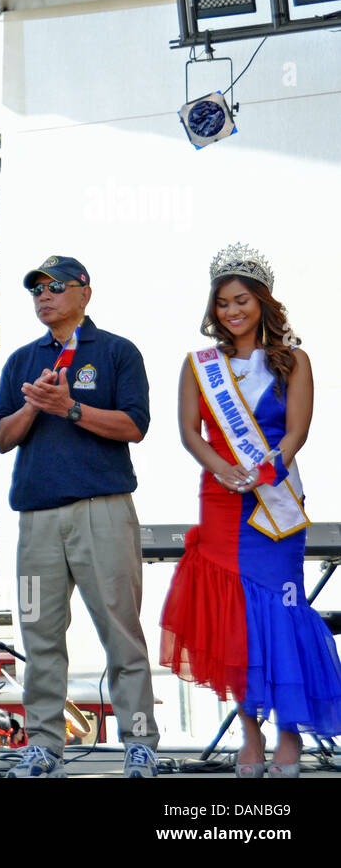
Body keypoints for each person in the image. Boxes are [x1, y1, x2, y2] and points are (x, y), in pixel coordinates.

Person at [160, 244, 341, 777]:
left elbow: (299, 431)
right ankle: (251, 735)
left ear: (261, 302)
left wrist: (268, 468)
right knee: (233, 618)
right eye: (222, 303)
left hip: (275, 500)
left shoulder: (294, 360)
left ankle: (290, 733)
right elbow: (190, 433)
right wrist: (222, 468)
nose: (231, 311)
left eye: (241, 300)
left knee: (282, 612)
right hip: (221, 498)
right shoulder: (200, 365)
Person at [0, 255, 159, 778]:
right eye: (36, 289)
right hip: (37, 519)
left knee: (120, 631)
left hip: (101, 512)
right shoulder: (23, 360)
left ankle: (139, 743)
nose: (44, 296)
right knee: (40, 634)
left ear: (85, 292)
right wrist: (37, 406)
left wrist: (72, 409)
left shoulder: (115, 352)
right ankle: (43, 744)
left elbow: (135, 426)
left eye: (56, 287)